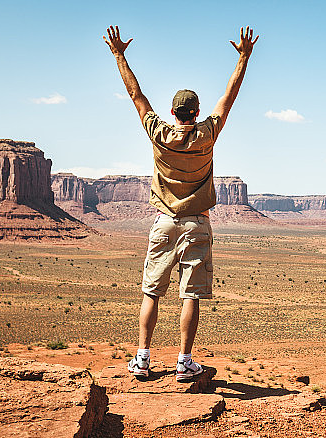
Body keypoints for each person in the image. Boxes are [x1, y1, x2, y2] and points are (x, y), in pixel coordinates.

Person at [103, 25, 258, 380]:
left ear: (173, 113)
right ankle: (184, 361)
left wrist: (119, 55)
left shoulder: (158, 133)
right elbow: (230, 96)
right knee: (190, 294)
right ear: (196, 111)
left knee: (152, 292)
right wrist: (244, 57)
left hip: (164, 221)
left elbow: (135, 95)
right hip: (196, 223)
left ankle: (142, 358)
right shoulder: (207, 134)